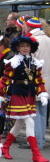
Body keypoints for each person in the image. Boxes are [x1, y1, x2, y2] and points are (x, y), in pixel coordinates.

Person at [0, 36, 49, 162]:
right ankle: (36, 155)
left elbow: (38, 79)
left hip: (30, 93)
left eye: (27, 46)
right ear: (18, 48)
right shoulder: (13, 61)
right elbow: (5, 80)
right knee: (29, 121)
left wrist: (42, 93)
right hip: (18, 93)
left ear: (31, 48)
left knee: (19, 124)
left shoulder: (35, 62)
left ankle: (5, 147)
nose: (25, 48)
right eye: (22, 46)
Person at [22, 17, 50, 149]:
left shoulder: (33, 41)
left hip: (36, 80)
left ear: (29, 28)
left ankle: (36, 141)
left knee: (34, 112)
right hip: (47, 80)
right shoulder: (48, 39)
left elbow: (30, 62)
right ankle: (41, 139)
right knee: (43, 112)